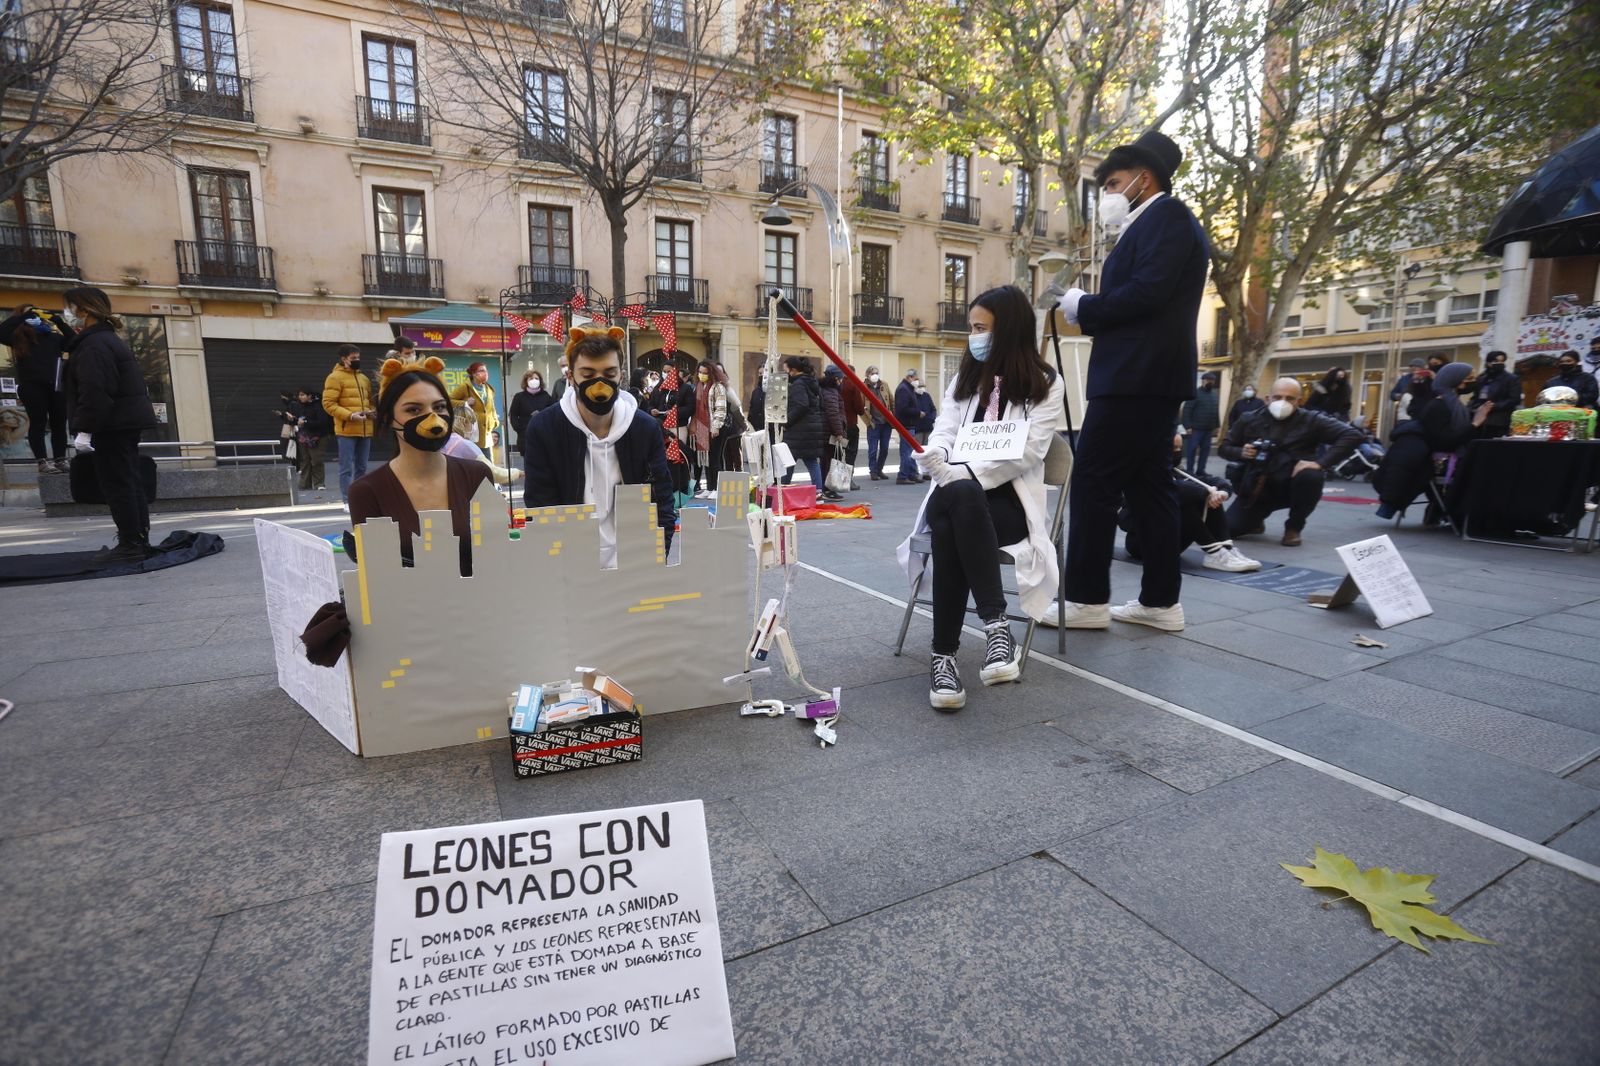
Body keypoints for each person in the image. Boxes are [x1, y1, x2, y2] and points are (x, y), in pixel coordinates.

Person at [1050, 129, 1208, 633]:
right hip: (1149, 377)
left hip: (1136, 378)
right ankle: (1161, 604)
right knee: (1149, 489)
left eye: (1114, 183)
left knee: (1094, 483)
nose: (1108, 196)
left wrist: (1083, 305)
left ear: (1145, 178)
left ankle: (1087, 600)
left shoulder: (1168, 218)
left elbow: (1147, 295)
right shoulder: (1156, 224)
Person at [897, 285, 1064, 711]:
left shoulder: (1046, 384)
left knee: (955, 523)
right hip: (952, 492)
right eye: (972, 328)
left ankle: (943, 658)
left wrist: (966, 473)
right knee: (960, 502)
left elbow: (1029, 452)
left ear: (1008, 330)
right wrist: (936, 455)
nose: (974, 336)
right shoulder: (964, 378)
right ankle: (997, 626)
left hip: (1006, 505)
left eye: (981, 328)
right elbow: (945, 429)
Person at [522, 327, 675, 568]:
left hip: (635, 566)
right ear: (571, 376)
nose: (600, 383)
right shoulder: (545, 428)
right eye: (588, 373)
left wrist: (654, 560)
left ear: (620, 376)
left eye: (609, 373)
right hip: (572, 570)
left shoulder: (644, 429)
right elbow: (540, 507)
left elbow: (662, 501)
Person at [348, 358, 490, 575]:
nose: (432, 417)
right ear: (387, 418)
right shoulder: (366, 492)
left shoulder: (477, 475)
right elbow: (376, 576)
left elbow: (495, 552)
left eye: (440, 406)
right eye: (413, 410)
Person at [60, 287, 159, 564]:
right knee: (128, 481)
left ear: (84, 310)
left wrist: (85, 429)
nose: (67, 314)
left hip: (111, 425)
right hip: (121, 422)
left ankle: (131, 543)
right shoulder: (105, 340)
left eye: (69, 308)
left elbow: (96, 391)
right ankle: (138, 540)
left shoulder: (94, 346)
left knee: (118, 484)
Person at [1219, 377, 1363, 546]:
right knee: (1228, 529)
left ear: (1299, 401)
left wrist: (1320, 463)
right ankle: (1255, 521)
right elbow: (1224, 447)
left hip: (1293, 485)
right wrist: (1241, 452)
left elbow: (1352, 435)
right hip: (1258, 488)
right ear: (1268, 398)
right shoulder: (1249, 418)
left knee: (1312, 476)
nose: (1282, 402)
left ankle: (1294, 527)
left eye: (1289, 398)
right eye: (1278, 397)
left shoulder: (1312, 420)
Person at [1123, 434, 1260, 572]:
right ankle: (1215, 552)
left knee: (1209, 498)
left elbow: (1207, 481)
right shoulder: (1142, 477)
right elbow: (1172, 489)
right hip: (1142, 544)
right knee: (1184, 501)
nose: (1177, 452)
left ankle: (1225, 549)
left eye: (1179, 448)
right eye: (1173, 447)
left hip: (1172, 542)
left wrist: (1222, 492)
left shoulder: (1176, 471)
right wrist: (1206, 492)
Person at [1373, 362, 1473, 520]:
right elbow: (1444, 441)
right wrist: (1474, 425)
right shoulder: (1440, 404)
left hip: (1429, 449)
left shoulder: (1450, 403)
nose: (1469, 382)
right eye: (1467, 378)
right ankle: (1452, 514)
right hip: (1435, 455)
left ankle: (1440, 512)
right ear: (1455, 380)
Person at [0, 304, 72, 473]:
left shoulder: (53, 337)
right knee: (38, 422)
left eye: (37, 312)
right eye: (31, 313)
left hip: (55, 385)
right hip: (32, 386)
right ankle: (42, 461)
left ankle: (60, 459)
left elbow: (73, 342)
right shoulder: (18, 338)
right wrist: (23, 317)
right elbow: (2, 331)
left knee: (59, 423)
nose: (35, 315)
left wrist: (58, 321)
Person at [322, 343, 375, 506]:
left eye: (358, 357)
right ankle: (347, 501)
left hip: (365, 429)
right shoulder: (334, 377)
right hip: (346, 430)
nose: (357, 360)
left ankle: (358, 499)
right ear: (343, 359)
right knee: (346, 468)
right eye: (353, 358)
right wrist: (351, 415)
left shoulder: (363, 378)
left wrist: (372, 411)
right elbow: (328, 403)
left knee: (362, 468)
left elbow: (369, 401)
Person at [443, 405, 522, 486]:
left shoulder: (442, 442)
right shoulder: (465, 445)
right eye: (472, 423)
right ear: (465, 422)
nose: (474, 428)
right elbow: (492, 472)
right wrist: (517, 473)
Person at [780, 356, 827, 491]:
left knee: (788, 460)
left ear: (793, 370)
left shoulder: (799, 384)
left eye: (787, 370)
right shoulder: (811, 382)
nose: (786, 373)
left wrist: (786, 421)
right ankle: (818, 491)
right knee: (811, 462)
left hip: (799, 430)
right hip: (812, 428)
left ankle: (783, 489)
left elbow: (801, 405)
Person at [690, 360, 729, 498]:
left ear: (711, 373)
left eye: (705, 373)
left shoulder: (718, 387)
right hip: (702, 426)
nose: (702, 375)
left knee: (714, 459)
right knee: (705, 459)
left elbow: (721, 408)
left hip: (714, 427)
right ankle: (709, 488)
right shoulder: (699, 386)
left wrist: (716, 426)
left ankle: (717, 489)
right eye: (700, 372)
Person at [1467, 350, 1519, 439]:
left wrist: (1493, 406)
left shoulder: (1511, 379)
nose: (1499, 363)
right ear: (1488, 363)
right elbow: (1475, 397)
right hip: (1480, 421)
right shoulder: (1482, 379)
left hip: (1500, 422)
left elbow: (1514, 399)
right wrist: (1475, 407)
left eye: (1502, 361)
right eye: (1496, 361)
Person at [450, 361, 500, 453]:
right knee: (474, 461)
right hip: (471, 433)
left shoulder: (488, 388)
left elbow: (491, 407)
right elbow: (449, 401)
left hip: (487, 434)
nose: (485, 373)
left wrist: (495, 421)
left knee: (487, 463)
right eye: (481, 371)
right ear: (473, 373)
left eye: (486, 371)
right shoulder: (465, 387)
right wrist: (465, 402)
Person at [1179, 370, 1221, 474]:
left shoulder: (1215, 394)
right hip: (1196, 429)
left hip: (1208, 429)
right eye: (1208, 380)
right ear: (1203, 381)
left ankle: (1201, 470)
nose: (1210, 382)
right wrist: (1187, 426)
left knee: (1205, 451)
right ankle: (1190, 470)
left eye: (1212, 380)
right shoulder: (1195, 393)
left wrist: (1217, 425)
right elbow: (1187, 410)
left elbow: (1215, 410)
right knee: (1192, 449)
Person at [817, 365, 848, 502]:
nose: (841, 382)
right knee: (829, 462)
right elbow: (833, 413)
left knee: (826, 461)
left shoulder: (824, 389)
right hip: (829, 432)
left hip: (825, 430)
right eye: (840, 379)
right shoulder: (830, 392)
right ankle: (827, 489)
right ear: (836, 378)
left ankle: (825, 488)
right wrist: (839, 432)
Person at [507, 369, 554, 453]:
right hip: (525, 436)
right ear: (526, 381)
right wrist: (519, 429)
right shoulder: (519, 397)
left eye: (536, 378)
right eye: (531, 379)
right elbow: (513, 414)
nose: (534, 380)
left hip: (543, 436)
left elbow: (552, 415)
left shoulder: (546, 396)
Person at [295, 387, 331, 490]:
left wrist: (306, 422)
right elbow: (298, 420)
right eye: (299, 395)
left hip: (318, 437)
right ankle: (304, 484)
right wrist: (293, 420)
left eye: (302, 395)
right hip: (303, 437)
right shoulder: (300, 407)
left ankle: (319, 483)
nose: (300, 397)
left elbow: (322, 422)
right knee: (305, 460)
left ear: (309, 396)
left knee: (316, 460)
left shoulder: (318, 407)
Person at [863, 365, 893, 480]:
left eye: (876, 372)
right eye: (872, 373)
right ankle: (873, 471)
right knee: (873, 450)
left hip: (886, 423)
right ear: (867, 375)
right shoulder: (863, 387)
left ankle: (879, 469)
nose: (875, 375)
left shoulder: (884, 385)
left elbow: (891, 399)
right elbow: (862, 408)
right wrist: (868, 423)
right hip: (873, 424)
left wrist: (893, 418)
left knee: (885, 448)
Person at [893, 370, 923, 484]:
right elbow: (903, 408)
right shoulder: (903, 389)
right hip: (906, 425)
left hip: (909, 424)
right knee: (906, 451)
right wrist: (917, 413)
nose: (917, 381)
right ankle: (903, 476)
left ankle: (911, 474)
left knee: (910, 450)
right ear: (910, 378)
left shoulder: (908, 389)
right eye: (916, 379)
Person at [841, 363, 867, 489]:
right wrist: (862, 409)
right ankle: (847, 481)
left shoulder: (836, 384)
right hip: (850, 424)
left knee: (838, 454)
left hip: (836, 425)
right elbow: (859, 408)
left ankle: (835, 479)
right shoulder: (852, 384)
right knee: (850, 453)